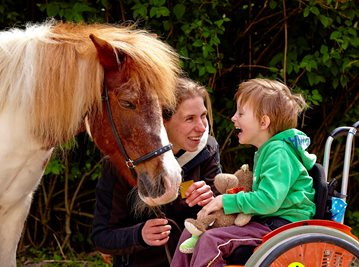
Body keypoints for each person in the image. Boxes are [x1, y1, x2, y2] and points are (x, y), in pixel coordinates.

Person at [171, 78, 316, 267]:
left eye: (240, 113)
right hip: (267, 222)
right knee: (191, 232)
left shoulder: (279, 153)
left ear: (263, 122)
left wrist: (226, 200)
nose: (233, 118)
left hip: (282, 227)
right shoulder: (268, 150)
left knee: (211, 241)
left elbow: (268, 201)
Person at [91, 77, 222, 267]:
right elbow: (102, 237)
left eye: (203, 116)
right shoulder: (121, 164)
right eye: (189, 119)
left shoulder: (207, 149)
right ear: (162, 121)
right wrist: (138, 235)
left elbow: (221, 221)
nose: (201, 128)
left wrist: (211, 199)